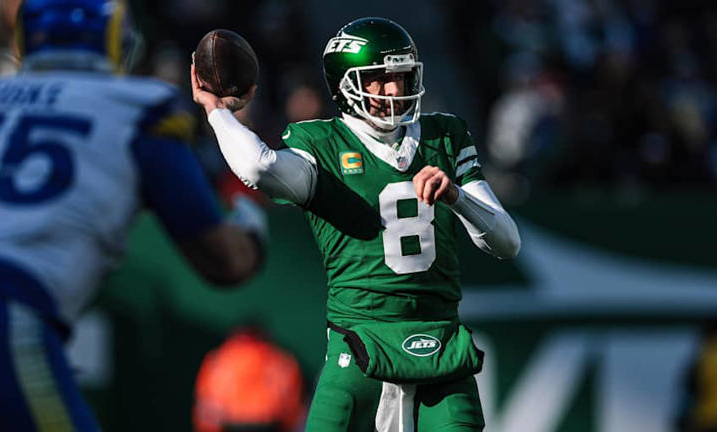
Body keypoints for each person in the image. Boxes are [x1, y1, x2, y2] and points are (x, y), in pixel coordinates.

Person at [192, 17, 520, 432]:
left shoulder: (445, 136)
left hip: (441, 348)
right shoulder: (323, 143)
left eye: (402, 77)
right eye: (380, 79)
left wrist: (456, 196)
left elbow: (507, 242)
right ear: (347, 85)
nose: (395, 90)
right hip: (357, 341)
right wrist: (217, 112)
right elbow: (259, 167)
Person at [0, 0, 266, 430]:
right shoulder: (135, 108)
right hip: (0, 316)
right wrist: (252, 232)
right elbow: (225, 261)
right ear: (115, 41)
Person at [193, 327, 306, 432]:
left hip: (229, 424)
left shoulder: (217, 360)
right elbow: (293, 411)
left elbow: (205, 412)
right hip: (269, 424)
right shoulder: (283, 361)